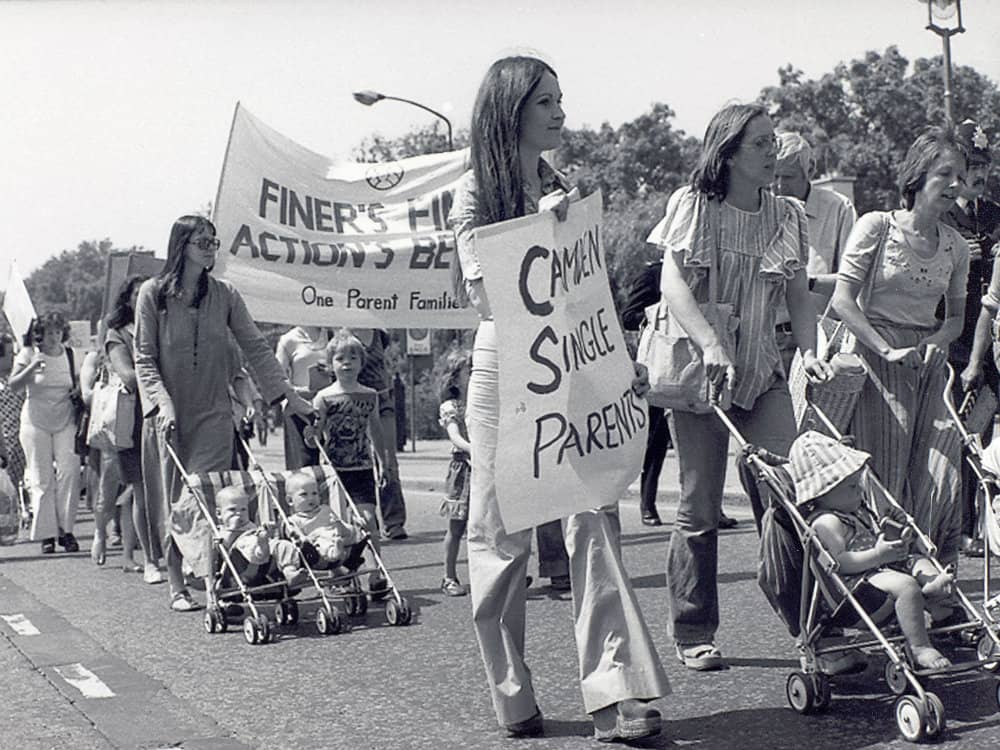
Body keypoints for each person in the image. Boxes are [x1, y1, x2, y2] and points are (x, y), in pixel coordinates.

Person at [449, 55, 669, 743]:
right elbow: (488, 296)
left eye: (560, 99)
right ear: (512, 110)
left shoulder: (567, 189)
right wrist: (539, 232)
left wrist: (617, 364)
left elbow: (587, 293)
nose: (560, 113)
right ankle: (511, 693)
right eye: (547, 101)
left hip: (570, 366)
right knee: (497, 535)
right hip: (504, 371)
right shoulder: (471, 196)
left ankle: (615, 694)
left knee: (592, 518)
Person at [647, 103, 831, 670]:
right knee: (699, 507)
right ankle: (693, 630)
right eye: (760, 143)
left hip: (763, 371)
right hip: (704, 372)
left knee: (789, 498)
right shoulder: (694, 204)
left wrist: (812, 354)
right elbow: (673, 284)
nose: (773, 152)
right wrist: (709, 342)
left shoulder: (789, 214)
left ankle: (814, 631)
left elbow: (799, 300)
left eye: (775, 141)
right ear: (726, 153)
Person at [134, 215, 314, 612]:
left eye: (213, 242)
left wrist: (286, 397)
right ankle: (178, 581)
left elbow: (255, 348)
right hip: (169, 417)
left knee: (209, 496)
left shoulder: (226, 294)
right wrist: (161, 402)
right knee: (175, 498)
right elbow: (144, 359)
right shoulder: (152, 294)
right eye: (202, 242)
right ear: (181, 247)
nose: (210, 248)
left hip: (215, 412)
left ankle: (220, 581)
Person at [831, 126, 969, 568]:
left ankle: (928, 571)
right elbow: (842, 301)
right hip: (876, 357)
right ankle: (885, 574)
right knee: (886, 471)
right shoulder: (877, 226)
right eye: (944, 173)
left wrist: (932, 343)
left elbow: (955, 321)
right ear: (917, 177)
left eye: (960, 176)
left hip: (927, 361)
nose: (954, 185)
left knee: (941, 470)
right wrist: (884, 349)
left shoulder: (956, 246)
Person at [789, 431, 956, 670]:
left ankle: (931, 590)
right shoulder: (826, 522)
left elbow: (878, 538)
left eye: (858, 485)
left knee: (919, 560)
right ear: (823, 492)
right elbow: (840, 561)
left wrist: (895, 531)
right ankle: (920, 646)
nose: (859, 491)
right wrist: (879, 555)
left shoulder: (856, 511)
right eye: (851, 487)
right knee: (906, 585)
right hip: (858, 587)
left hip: (881, 570)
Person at [620, 259, 737, 529]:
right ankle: (647, 504)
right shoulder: (655, 273)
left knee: (707, 445)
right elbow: (629, 316)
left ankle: (712, 507)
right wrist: (663, 317)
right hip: (662, 365)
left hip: (696, 368)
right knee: (656, 443)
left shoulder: (711, 275)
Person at [946, 120, 1000, 559]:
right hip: (956, 341)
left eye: (985, 164)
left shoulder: (996, 213)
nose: (980, 173)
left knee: (991, 437)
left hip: (995, 342)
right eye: (973, 165)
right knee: (964, 437)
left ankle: (993, 522)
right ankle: (964, 528)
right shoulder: (941, 215)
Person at [311, 330, 392, 594]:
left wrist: (384, 461)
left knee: (368, 519)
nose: (347, 363)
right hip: (334, 470)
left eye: (353, 358)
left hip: (361, 467)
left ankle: (377, 572)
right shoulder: (323, 397)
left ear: (361, 362)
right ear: (331, 363)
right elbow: (316, 433)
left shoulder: (370, 395)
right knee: (335, 525)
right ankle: (337, 572)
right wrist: (311, 436)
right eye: (340, 358)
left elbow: (376, 429)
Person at [8, 312, 84, 554]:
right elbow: (13, 384)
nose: (54, 337)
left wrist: (78, 392)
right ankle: (46, 534)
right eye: (49, 332)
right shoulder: (28, 353)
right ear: (40, 334)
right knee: (42, 479)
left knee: (70, 471)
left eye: (58, 332)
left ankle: (66, 529)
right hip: (35, 422)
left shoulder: (70, 355)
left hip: (64, 419)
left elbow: (79, 381)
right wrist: (31, 367)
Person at [105, 274, 162, 580]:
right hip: (136, 421)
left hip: (168, 416)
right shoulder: (118, 334)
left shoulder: (164, 325)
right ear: (127, 300)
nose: (144, 299)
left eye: (148, 293)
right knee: (142, 493)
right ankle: (150, 560)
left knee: (171, 492)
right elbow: (127, 376)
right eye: (138, 294)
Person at [773, 132, 857, 306]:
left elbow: (853, 279)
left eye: (788, 177)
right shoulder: (759, 208)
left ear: (810, 170)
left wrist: (805, 282)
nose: (780, 185)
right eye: (774, 177)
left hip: (819, 327)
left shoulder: (839, 209)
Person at [351, 328, 408, 540]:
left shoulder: (379, 335)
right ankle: (363, 520)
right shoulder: (341, 331)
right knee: (357, 460)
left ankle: (394, 522)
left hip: (382, 401)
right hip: (354, 403)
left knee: (388, 459)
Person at [214, 485, 308, 588]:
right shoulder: (221, 532)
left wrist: (265, 532)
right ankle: (261, 545)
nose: (239, 514)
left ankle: (290, 572)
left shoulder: (249, 525)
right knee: (252, 544)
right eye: (232, 510)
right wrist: (233, 529)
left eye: (243, 510)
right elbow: (226, 545)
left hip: (266, 557)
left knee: (284, 545)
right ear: (219, 514)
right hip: (244, 564)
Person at [437, 350, 472, 597]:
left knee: (491, 523)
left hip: (485, 464)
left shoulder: (485, 401)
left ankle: (501, 572)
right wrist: (473, 448)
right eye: (470, 371)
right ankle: (449, 576)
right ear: (455, 378)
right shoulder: (452, 406)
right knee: (457, 526)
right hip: (464, 467)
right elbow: (455, 435)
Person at [275, 325, 329, 469]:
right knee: (303, 468)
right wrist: (299, 392)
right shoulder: (288, 340)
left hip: (330, 407)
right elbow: (278, 377)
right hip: (299, 411)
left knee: (334, 467)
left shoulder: (333, 335)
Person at [285, 470, 364, 569]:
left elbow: (340, 526)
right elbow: (298, 537)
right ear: (290, 500)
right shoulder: (294, 520)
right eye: (304, 494)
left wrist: (345, 525)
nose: (311, 498)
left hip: (336, 536)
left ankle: (354, 545)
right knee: (322, 542)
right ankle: (334, 553)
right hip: (317, 550)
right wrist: (304, 539)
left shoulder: (325, 509)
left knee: (350, 530)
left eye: (314, 493)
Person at [0, 334, 26, 495]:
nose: (13, 357)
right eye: (10, 353)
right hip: (4, 446)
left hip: (20, 445)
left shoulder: (16, 380)